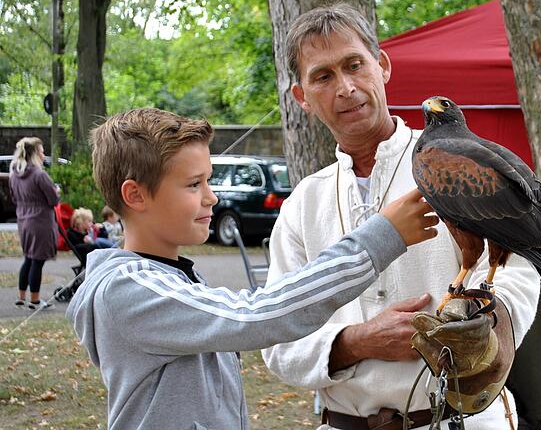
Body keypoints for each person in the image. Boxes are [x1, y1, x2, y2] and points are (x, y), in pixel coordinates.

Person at [65, 107, 438, 430]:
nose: (211, 197)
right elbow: (257, 315)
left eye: (207, 180)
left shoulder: (174, 278)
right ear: (135, 195)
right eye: (194, 184)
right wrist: (380, 237)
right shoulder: (129, 290)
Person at [261, 4, 541, 429]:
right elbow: (277, 339)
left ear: (383, 66)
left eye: (355, 65)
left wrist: (489, 325)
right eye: (323, 76)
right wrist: (356, 342)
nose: (346, 87)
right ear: (302, 97)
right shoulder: (303, 204)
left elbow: (519, 271)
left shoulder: (457, 163)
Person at [9, 137, 59, 310]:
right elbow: (53, 200)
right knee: (37, 261)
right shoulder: (39, 175)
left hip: (23, 220)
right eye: (42, 151)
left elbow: (14, 198)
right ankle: (35, 301)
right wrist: (57, 192)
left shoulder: (14, 174)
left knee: (28, 259)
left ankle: (21, 297)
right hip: (40, 221)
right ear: (35, 154)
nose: (44, 154)